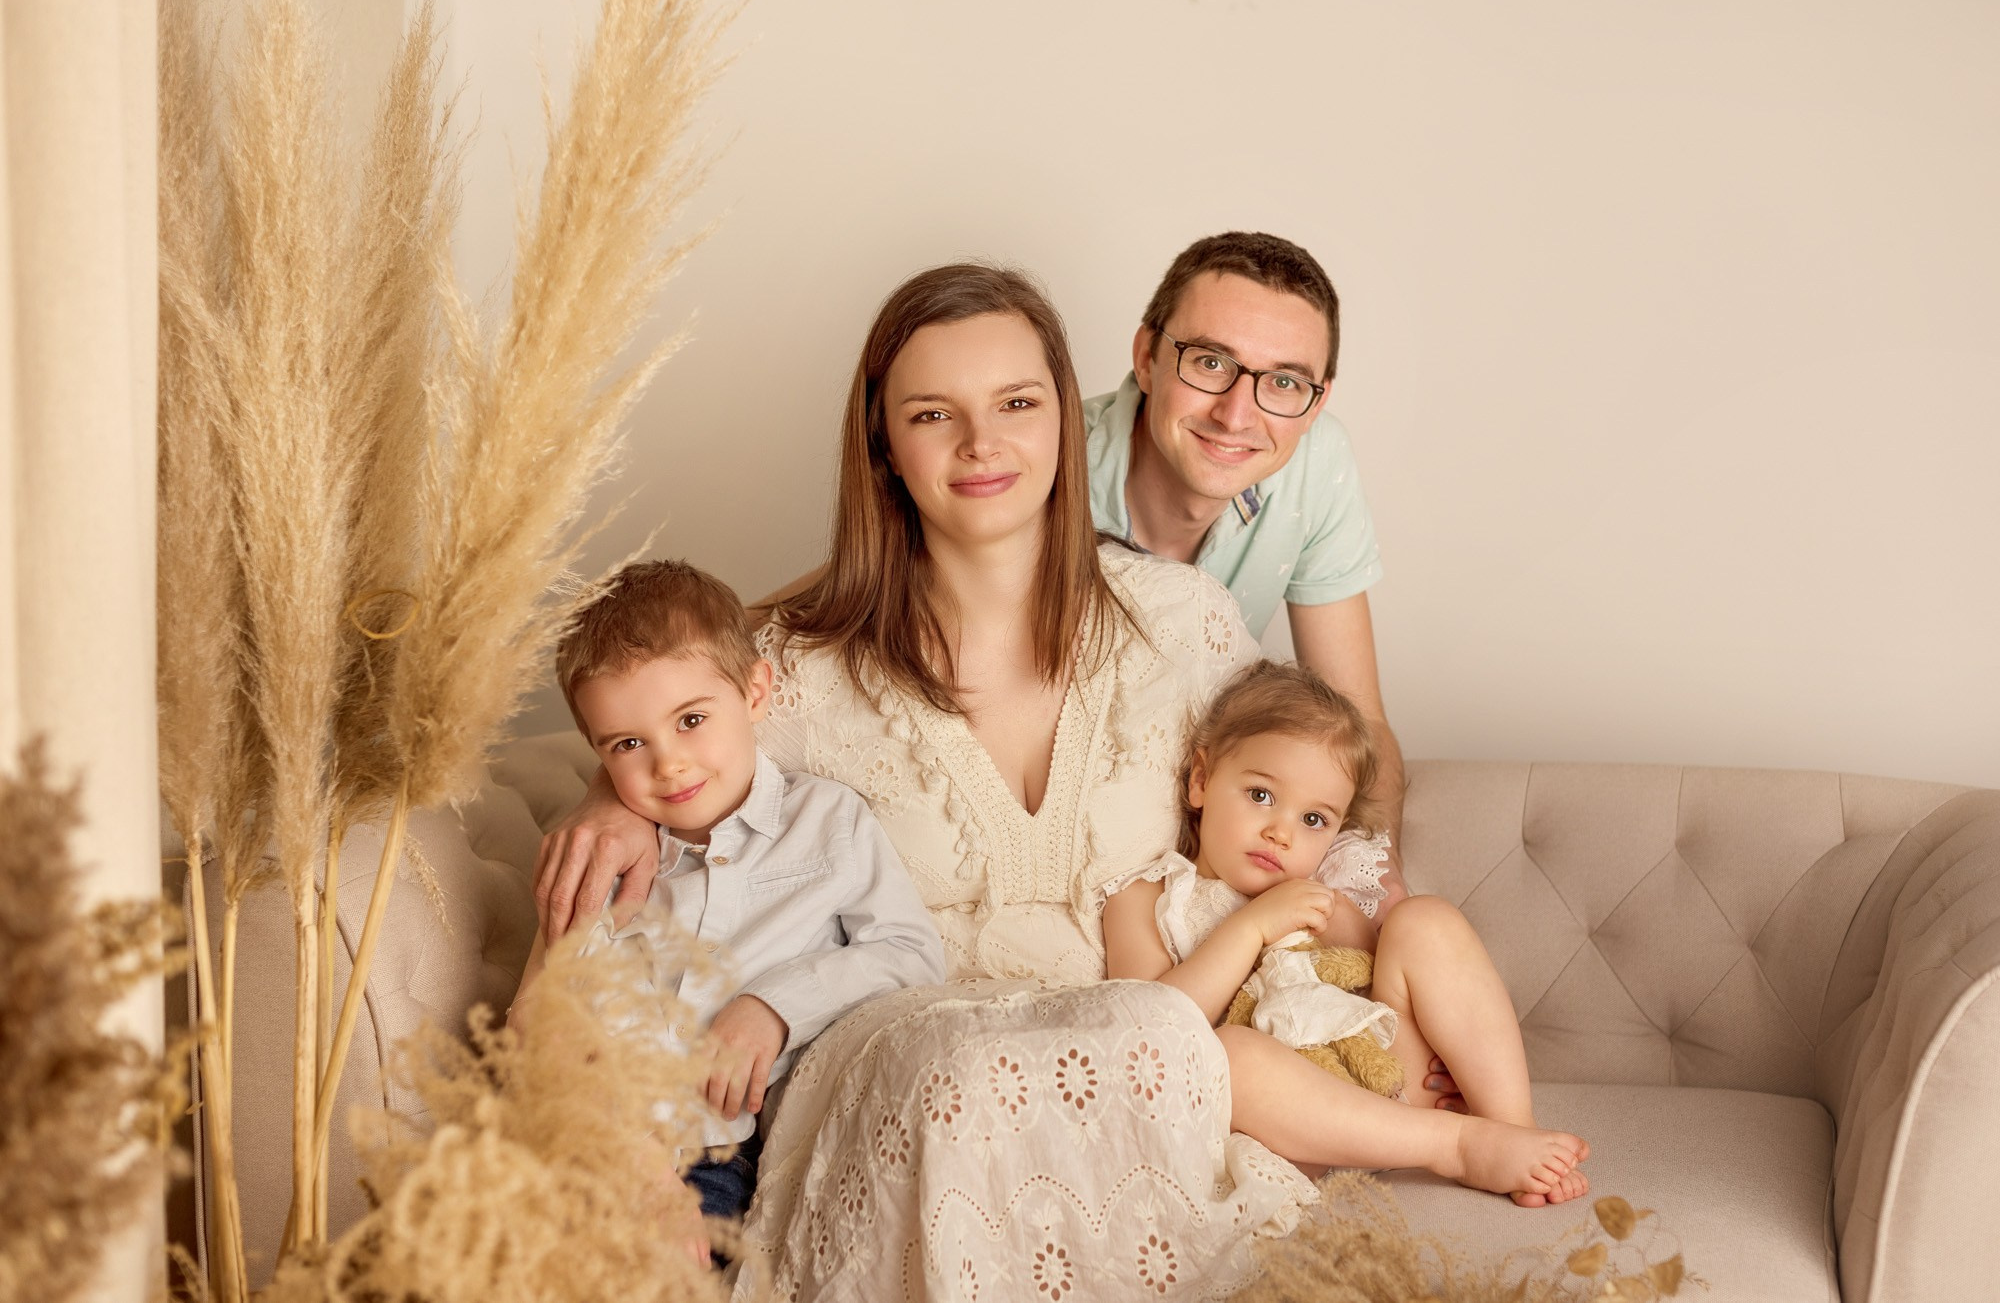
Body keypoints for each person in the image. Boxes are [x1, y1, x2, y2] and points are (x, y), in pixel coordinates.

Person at [534, 263, 1420, 1298]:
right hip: (896, 1073)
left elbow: (1314, 804)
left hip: (1126, 1068)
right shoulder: (796, 678)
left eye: (1015, 404)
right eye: (931, 414)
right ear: (884, 445)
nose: (981, 443)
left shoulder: (1181, 626)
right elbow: (647, 782)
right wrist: (615, 792)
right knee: (965, 1077)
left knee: (1146, 1025)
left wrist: (1385, 974)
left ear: (1066, 417)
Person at [515, 558, 945, 1264]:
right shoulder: (613, 858)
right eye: (628, 744)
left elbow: (911, 954)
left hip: (724, 1160)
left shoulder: (827, 822)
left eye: (690, 720)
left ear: (754, 692)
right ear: (598, 754)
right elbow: (549, 1019)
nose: (669, 764)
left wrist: (774, 1006)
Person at [1101, 660, 1590, 1207]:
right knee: (1232, 1055)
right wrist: (1253, 926)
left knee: (1423, 921)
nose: (1280, 832)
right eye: (1261, 795)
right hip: (1284, 1119)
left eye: (1314, 820)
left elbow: (1382, 988)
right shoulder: (1146, 896)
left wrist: (1443, 1050)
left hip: (1379, 1087)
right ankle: (1454, 1144)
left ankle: (1510, 1130)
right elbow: (1153, 1029)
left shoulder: (1319, 895)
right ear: (1201, 779)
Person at [1087, 232, 1411, 863]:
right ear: (1147, 357)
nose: (1237, 416)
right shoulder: (1042, 464)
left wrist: (1372, 885)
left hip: (1218, 831)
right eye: (1210, 362)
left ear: (1316, 404)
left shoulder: (1317, 463)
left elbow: (1361, 722)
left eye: (1285, 382)